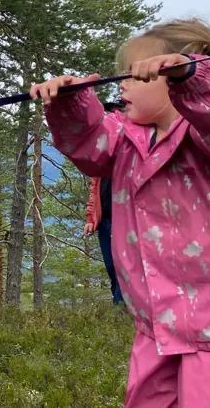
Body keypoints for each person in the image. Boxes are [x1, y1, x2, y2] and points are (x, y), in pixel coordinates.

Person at [31, 19, 210, 407]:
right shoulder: (125, 137)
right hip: (155, 325)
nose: (121, 84)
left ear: (171, 79)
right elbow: (89, 145)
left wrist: (194, 76)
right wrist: (67, 101)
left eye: (134, 74)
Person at [83, 101, 125, 306]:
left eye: (115, 112)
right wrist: (92, 218)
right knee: (111, 267)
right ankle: (119, 310)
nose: (110, 117)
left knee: (124, 267)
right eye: (108, 113)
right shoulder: (104, 153)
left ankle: (122, 312)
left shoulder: (130, 147)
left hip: (125, 220)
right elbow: (94, 189)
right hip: (105, 220)